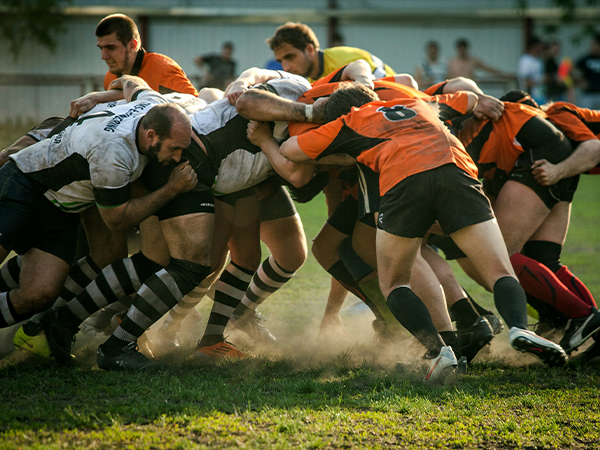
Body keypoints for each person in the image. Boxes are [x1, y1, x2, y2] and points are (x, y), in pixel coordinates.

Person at [278, 83, 568, 379]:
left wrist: (344, 154)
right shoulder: (417, 103)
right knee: (500, 270)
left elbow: (290, 151)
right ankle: (519, 327)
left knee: (395, 282)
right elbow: (467, 99)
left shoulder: (350, 120)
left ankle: (438, 351)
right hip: (456, 173)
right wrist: (476, 101)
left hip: (404, 184)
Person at [0, 84, 197, 330]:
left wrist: (97, 96)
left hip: (61, 211)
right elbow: (116, 220)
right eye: (174, 149)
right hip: (25, 186)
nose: (178, 157)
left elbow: (131, 81)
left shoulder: (152, 102)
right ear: (151, 136)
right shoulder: (113, 153)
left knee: (39, 295)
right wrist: (171, 189)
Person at [267, 22, 396, 83]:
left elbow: (386, 88)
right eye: (281, 61)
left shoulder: (346, 60)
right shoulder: (312, 82)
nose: (285, 67)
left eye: (290, 57)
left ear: (309, 50)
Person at [573, 33, 600, 109]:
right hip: (588, 95)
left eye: (596, 45)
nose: (594, 47)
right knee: (586, 118)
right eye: (593, 45)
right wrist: (578, 82)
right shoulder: (586, 59)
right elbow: (571, 68)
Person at [517, 37, 545, 105]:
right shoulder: (525, 60)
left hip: (540, 95)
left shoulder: (538, 60)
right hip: (530, 97)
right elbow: (525, 80)